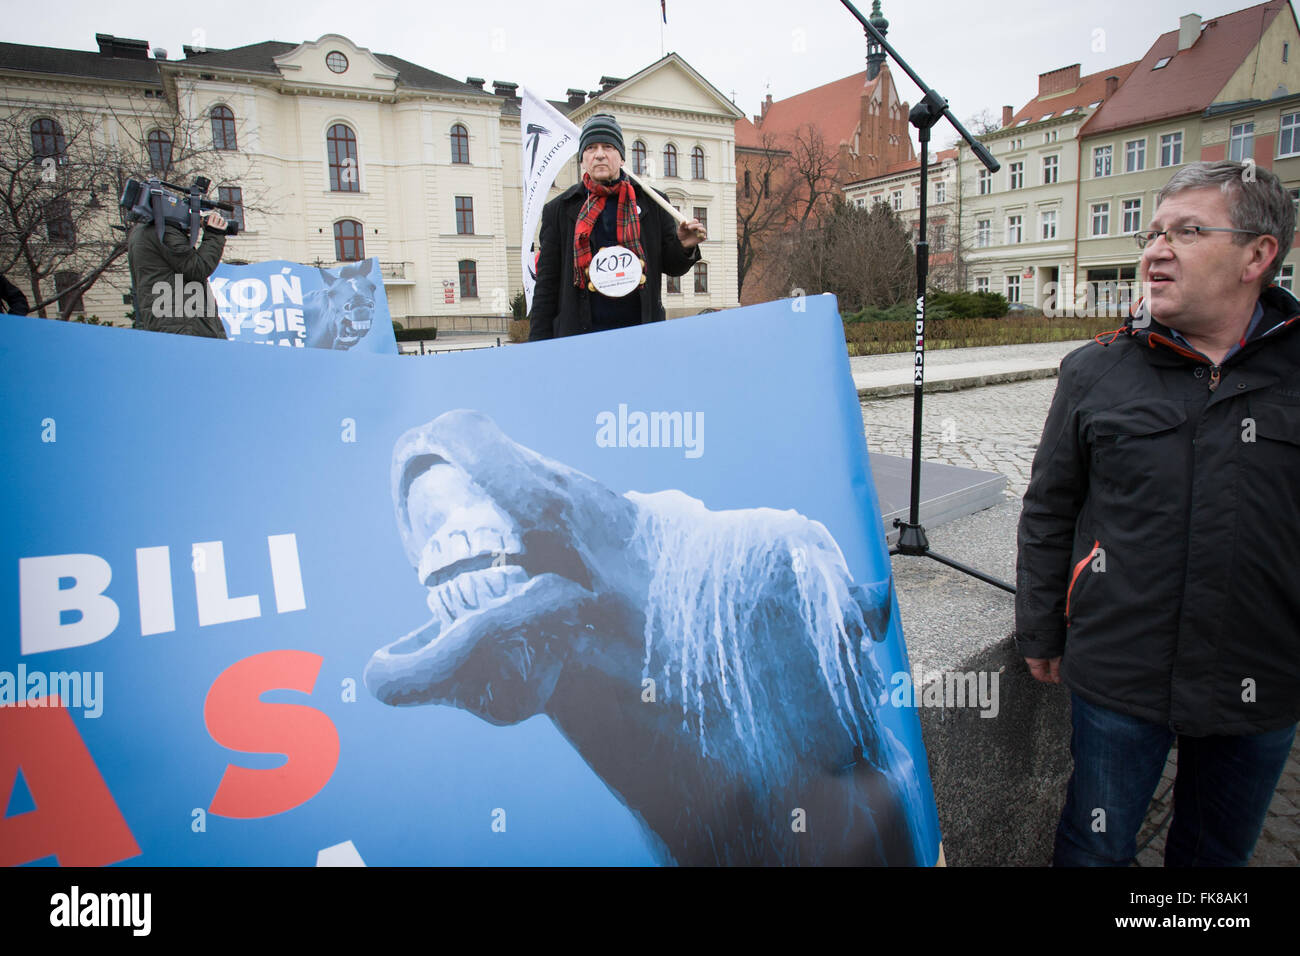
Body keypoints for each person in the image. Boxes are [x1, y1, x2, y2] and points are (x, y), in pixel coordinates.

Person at [1016, 160, 1300, 867]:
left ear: (1258, 255)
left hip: (1262, 672)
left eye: (1189, 231)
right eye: (1153, 233)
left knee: (1215, 855)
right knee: (1095, 846)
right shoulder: (1095, 371)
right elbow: (1051, 507)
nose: (1154, 251)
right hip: (1120, 671)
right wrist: (1040, 625)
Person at [528, 113, 705, 340]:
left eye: (608, 147)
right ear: (582, 159)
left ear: (621, 157)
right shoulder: (560, 210)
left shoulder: (652, 202)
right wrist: (537, 347)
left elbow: (672, 267)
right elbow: (546, 286)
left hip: (640, 334)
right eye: (591, 148)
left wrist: (683, 246)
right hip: (581, 339)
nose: (599, 154)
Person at [128, 206, 229, 338]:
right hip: (185, 324)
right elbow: (197, 268)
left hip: (168, 322)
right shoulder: (163, 232)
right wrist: (214, 234)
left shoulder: (140, 232)